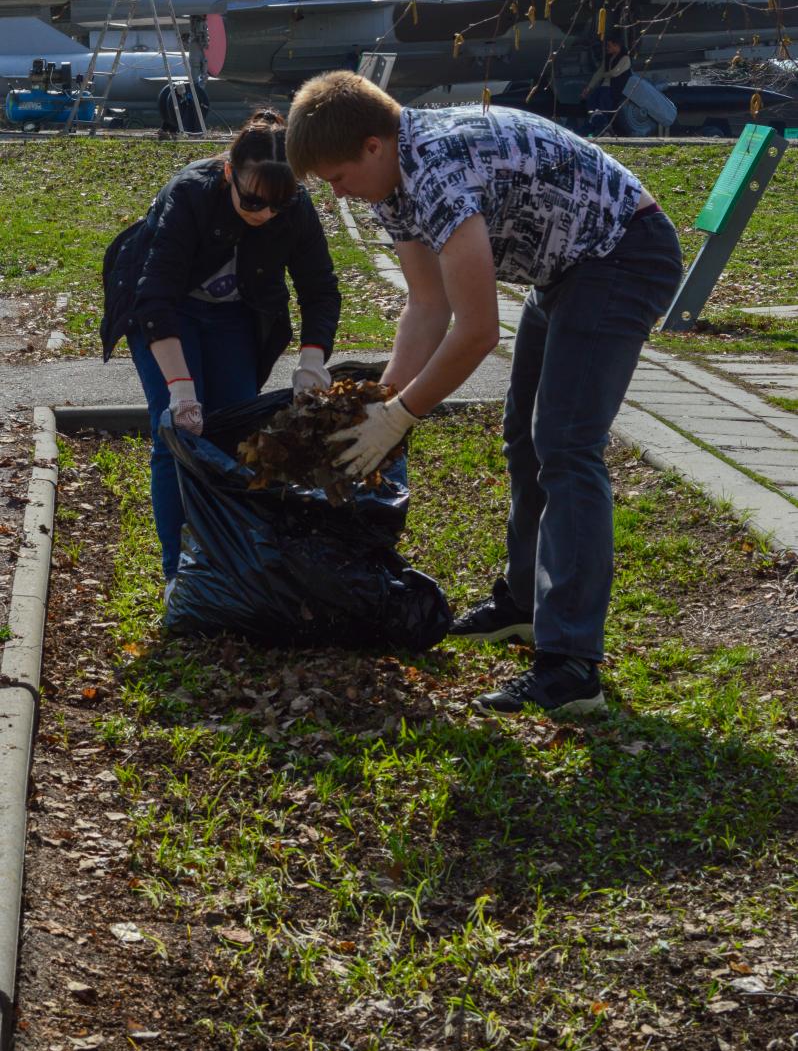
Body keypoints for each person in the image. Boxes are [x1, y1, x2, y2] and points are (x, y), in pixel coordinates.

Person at [285, 72, 682, 719]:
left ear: (372, 146)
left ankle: (573, 665)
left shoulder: (436, 169)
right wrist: (383, 401)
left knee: (567, 446)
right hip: (568, 266)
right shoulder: (394, 184)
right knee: (524, 437)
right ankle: (525, 605)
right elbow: (426, 306)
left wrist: (404, 414)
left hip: (623, 252)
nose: (339, 194)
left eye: (336, 177)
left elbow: (475, 331)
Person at [101, 109, 341, 600]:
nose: (264, 213)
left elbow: (320, 289)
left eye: (279, 203)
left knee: (234, 437)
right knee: (177, 436)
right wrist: (181, 389)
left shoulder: (291, 207)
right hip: (168, 313)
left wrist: (312, 361)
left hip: (237, 315)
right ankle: (180, 577)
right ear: (230, 173)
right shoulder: (190, 193)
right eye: (253, 200)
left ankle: (227, 562)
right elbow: (155, 297)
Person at [580, 31, 633, 135]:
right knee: (592, 103)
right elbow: (598, 74)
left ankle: (604, 129)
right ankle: (599, 126)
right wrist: (589, 88)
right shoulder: (608, 58)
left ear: (616, 45)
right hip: (604, 87)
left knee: (604, 107)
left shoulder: (625, 58)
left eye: (609, 45)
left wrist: (603, 74)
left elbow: (615, 73)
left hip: (613, 89)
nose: (607, 48)